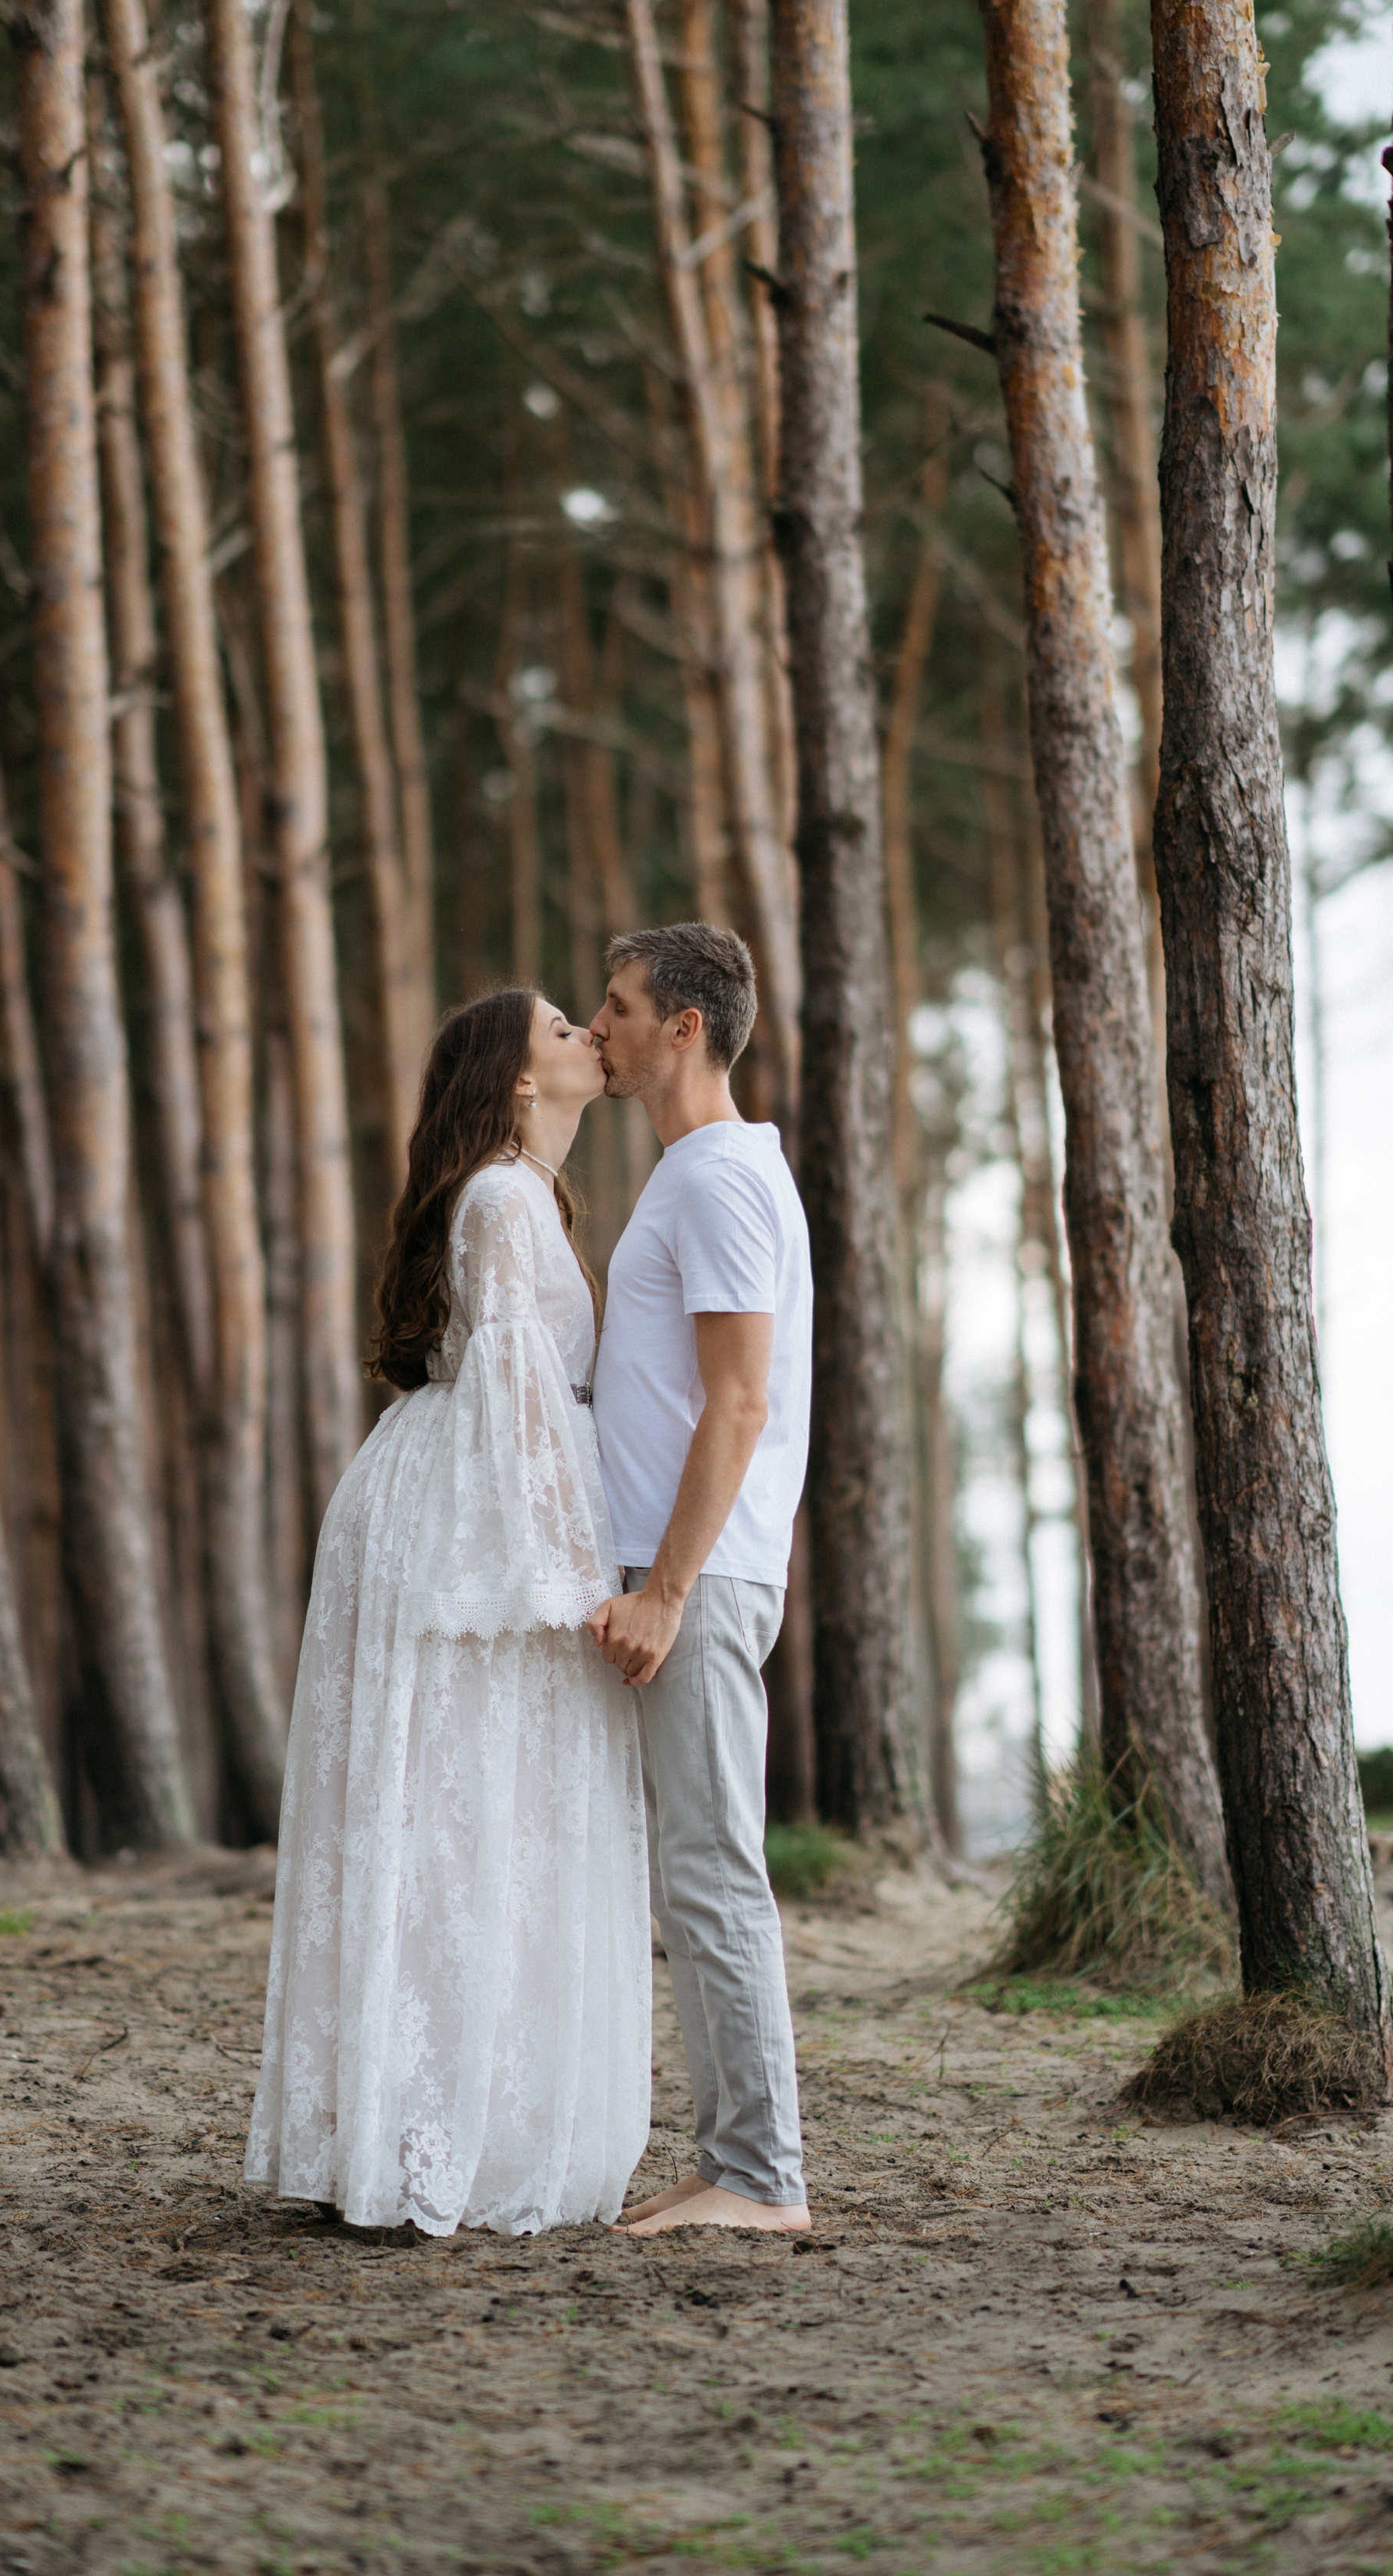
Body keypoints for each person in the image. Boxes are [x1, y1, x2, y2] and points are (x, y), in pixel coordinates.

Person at [245, 992, 649, 2236]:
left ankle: (441, 2110)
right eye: (565, 1029)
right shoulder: (499, 1198)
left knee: (471, 1811)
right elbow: (520, 1396)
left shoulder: (524, 1194)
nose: (591, 1034)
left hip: (461, 1498)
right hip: (473, 1525)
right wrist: (579, 1578)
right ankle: (427, 2123)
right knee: (463, 1808)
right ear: (521, 1082)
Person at [587, 923, 813, 2237]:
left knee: (715, 1865)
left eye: (618, 1007)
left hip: (704, 1575)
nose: (598, 1025)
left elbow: (737, 1403)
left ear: (683, 1028)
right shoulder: (697, 1175)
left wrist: (667, 1589)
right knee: (690, 1866)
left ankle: (760, 2175)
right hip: (675, 1567)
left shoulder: (722, 1178)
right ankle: (731, 2158)